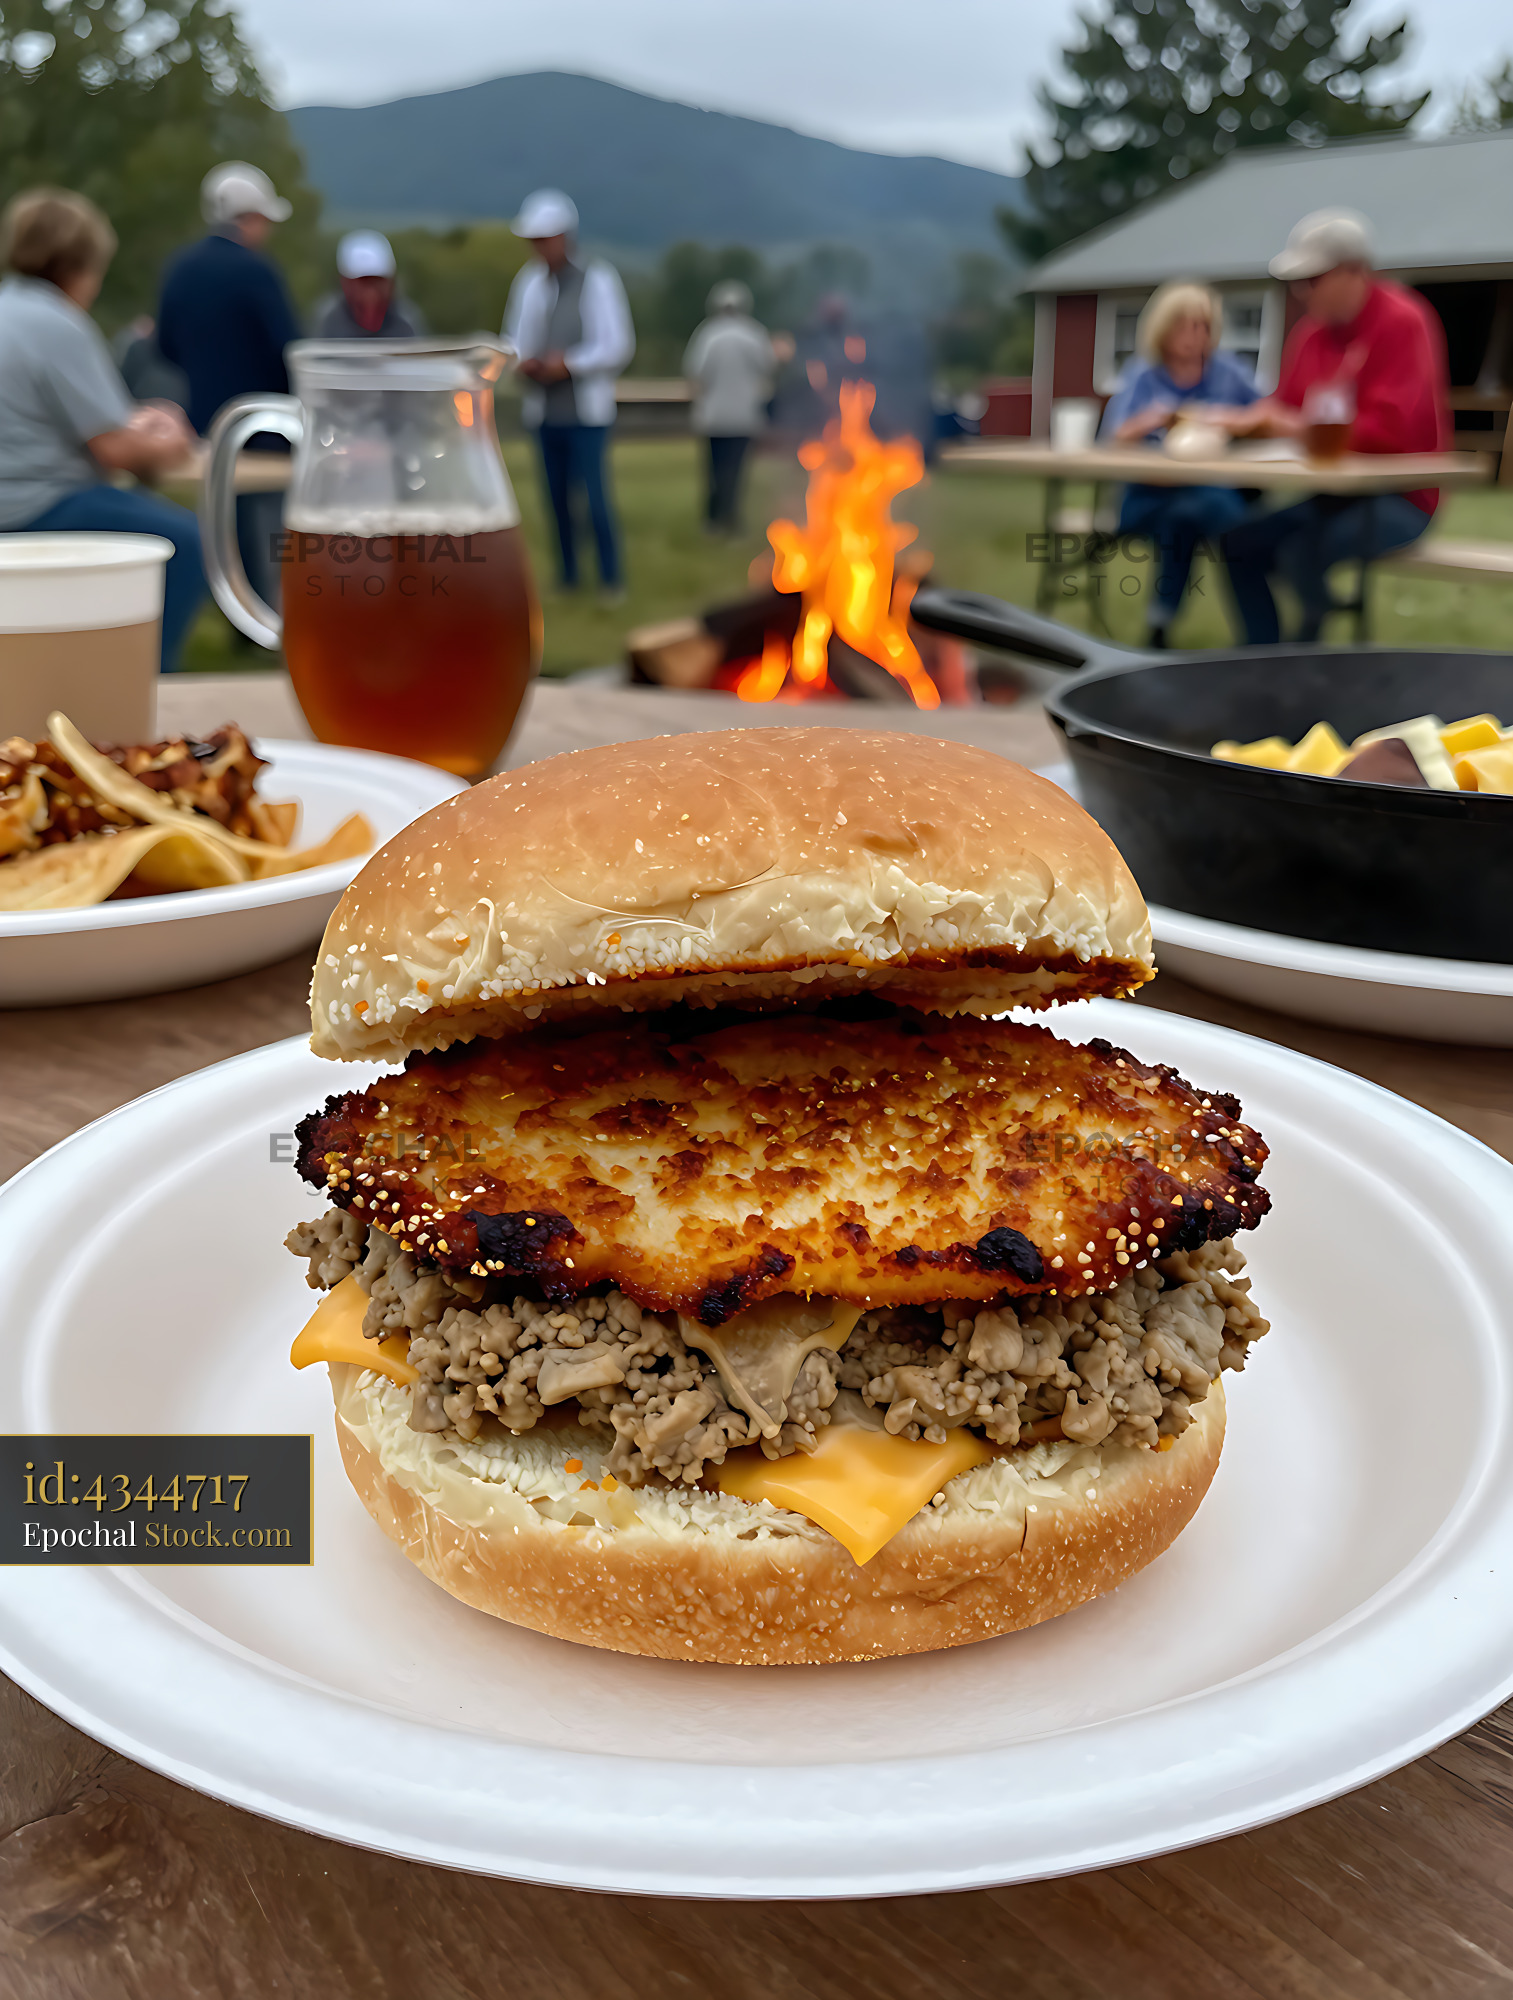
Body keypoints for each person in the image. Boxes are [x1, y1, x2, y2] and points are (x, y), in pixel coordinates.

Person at [1218, 209, 1450, 644]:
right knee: (1239, 543)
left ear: (1354, 271)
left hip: (1402, 498)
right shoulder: (1310, 335)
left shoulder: (1403, 322)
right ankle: (1260, 657)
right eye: (1298, 282)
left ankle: (1308, 663)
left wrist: (1295, 427)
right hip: (1332, 494)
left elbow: (1389, 432)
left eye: (1312, 279)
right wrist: (1240, 422)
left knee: (1298, 553)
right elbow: (1281, 408)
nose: (1302, 292)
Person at [0, 188, 206, 671]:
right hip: (37, 505)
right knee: (185, 543)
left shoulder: (10, 308)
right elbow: (113, 448)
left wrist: (134, 421)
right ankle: (145, 682)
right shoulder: (57, 323)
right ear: (80, 264)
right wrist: (173, 438)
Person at [157, 162, 300, 619]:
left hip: (208, 426)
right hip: (267, 429)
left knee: (225, 523)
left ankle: (236, 614)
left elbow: (164, 345)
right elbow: (288, 349)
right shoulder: (257, 272)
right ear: (250, 217)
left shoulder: (181, 270)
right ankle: (272, 613)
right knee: (274, 525)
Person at [1099, 282, 1260, 646]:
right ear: (1162, 328)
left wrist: (1225, 420)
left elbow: (1264, 416)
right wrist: (1154, 419)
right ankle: (1257, 630)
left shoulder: (1227, 372)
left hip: (1209, 491)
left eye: (1202, 326)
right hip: (1149, 495)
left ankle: (1160, 624)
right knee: (1208, 521)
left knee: (1190, 516)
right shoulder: (1143, 374)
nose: (1194, 336)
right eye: (1184, 325)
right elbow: (1115, 437)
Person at [504, 189, 634, 600]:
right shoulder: (528, 283)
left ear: (565, 236)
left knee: (595, 500)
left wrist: (570, 364)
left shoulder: (597, 278)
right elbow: (515, 337)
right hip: (545, 411)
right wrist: (521, 361)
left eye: (545, 239)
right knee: (556, 500)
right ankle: (569, 576)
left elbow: (617, 344)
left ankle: (611, 579)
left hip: (586, 413)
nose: (539, 248)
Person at [682, 280, 775, 533]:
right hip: (744, 415)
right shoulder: (754, 334)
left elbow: (695, 371)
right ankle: (730, 518)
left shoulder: (708, 334)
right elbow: (768, 367)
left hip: (713, 416)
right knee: (735, 470)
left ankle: (713, 519)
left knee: (713, 469)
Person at [315, 231, 425, 339]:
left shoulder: (407, 321)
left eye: (378, 280)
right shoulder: (327, 321)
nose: (371, 290)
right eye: (363, 280)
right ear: (345, 282)